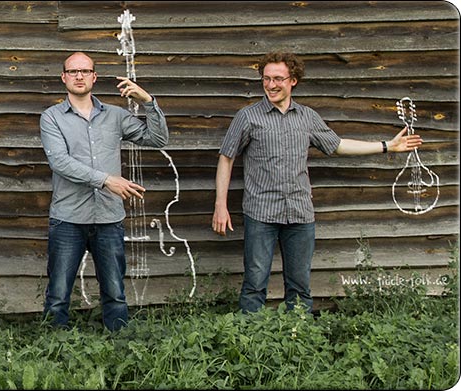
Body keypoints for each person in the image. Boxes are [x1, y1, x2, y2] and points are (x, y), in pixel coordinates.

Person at [212, 50, 423, 314]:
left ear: (293, 80)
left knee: (300, 285)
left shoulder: (307, 117)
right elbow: (226, 157)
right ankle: (249, 342)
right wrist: (221, 205)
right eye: (266, 79)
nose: (271, 85)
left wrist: (386, 147)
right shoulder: (248, 117)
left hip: (300, 214)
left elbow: (337, 146)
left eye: (278, 78)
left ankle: (298, 338)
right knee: (254, 283)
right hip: (260, 213)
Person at [39, 52, 168, 332]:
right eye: (73, 71)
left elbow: (157, 139)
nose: (79, 76)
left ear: (94, 77)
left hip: (108, 217)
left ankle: (118, 345)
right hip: (68, 218)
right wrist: (106, 180)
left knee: (114, 291)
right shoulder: (52, 118)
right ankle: (52, 347)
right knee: (59, 293)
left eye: (85, 71)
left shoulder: (115, 115)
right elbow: (60, 162)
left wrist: (148, 102)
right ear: (63, 77)